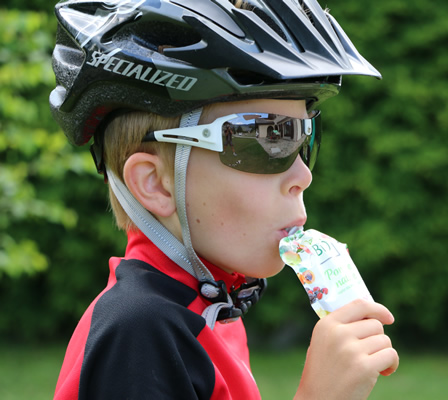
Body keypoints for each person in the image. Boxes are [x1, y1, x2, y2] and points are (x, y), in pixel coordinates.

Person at [49, 0, 399, 399]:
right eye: (267, 139)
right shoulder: (140, 330)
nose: (304, 175)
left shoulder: (209, 306)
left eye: (304, 138)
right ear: (156, 184)